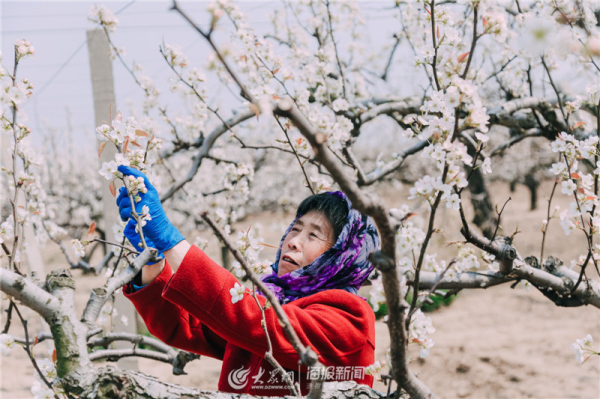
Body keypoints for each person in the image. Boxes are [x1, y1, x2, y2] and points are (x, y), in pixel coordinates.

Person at [117, 165, 380, 396]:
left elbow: (261, 322)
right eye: (296, 229)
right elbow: (188, 327)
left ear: (344, 256)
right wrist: (154, 261)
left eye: (313, 236)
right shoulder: (276, 299)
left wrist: (170, 241)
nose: (293, 241)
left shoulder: (351, 318)